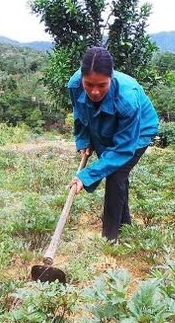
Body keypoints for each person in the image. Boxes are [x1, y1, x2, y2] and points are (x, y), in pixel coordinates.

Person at [67, 46, 159, 241]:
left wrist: (86, 176)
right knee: (117, 174)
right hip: (104, 129)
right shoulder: (74, 85)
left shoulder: (128, 98)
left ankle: (110, 238)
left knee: (116, 174)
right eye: (89, 84)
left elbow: (123, 149)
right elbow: (80, 112)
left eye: (102, 85)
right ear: (81, 78)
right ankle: (125, 227)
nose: (95, 91)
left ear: (111, 77)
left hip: (140, 130)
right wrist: (84, 139)